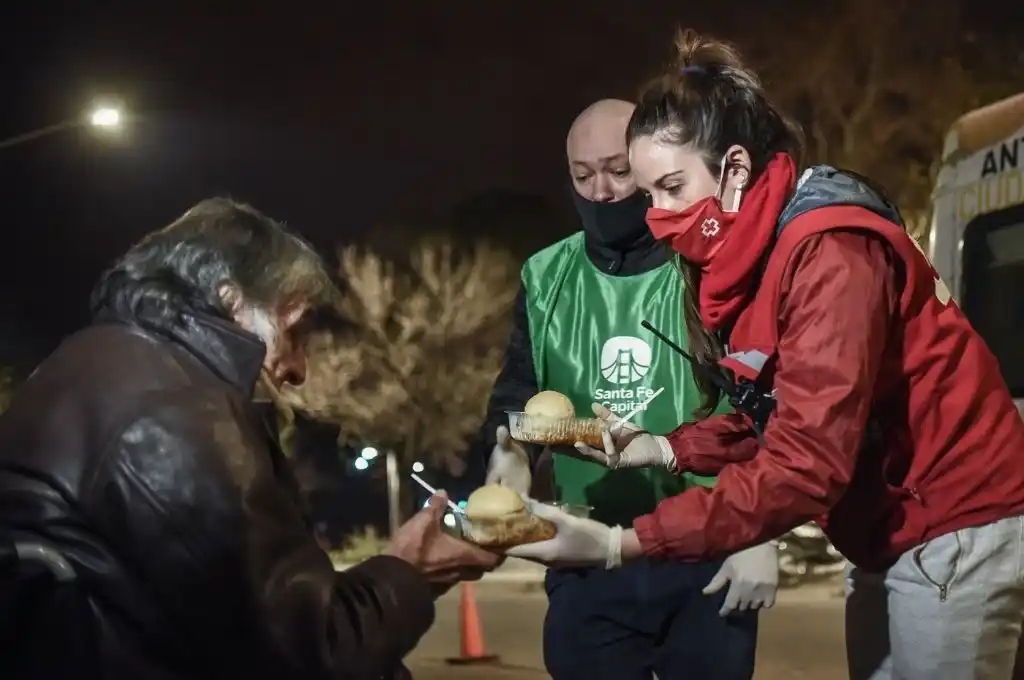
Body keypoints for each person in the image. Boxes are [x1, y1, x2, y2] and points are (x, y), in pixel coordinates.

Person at [507, 29, 1024, 680]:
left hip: (954, 523)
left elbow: (806, 461)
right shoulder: (749, 257)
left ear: (736, 169)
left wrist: (623, 543)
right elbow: (774, 409)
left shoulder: (829, 254)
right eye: (649, 194)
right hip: (889, 525)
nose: (657, 214)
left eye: (669, 186)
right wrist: (665, 448)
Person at [0, 198, 501, 680]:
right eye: (295, 329)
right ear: (231, 300)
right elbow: (312, 656)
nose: (298, 368)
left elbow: (246, 621)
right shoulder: (174, 415)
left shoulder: (100, 369)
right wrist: (409, 571)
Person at [475, 99, 776, 680]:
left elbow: (760, 411)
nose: (602, 191)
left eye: (618, 170)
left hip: (706, 553)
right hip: (588, 553)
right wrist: (508, 454)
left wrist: (757, 532)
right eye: (582, 175)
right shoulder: (545, 276)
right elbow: (517, 392)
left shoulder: (708, 266)